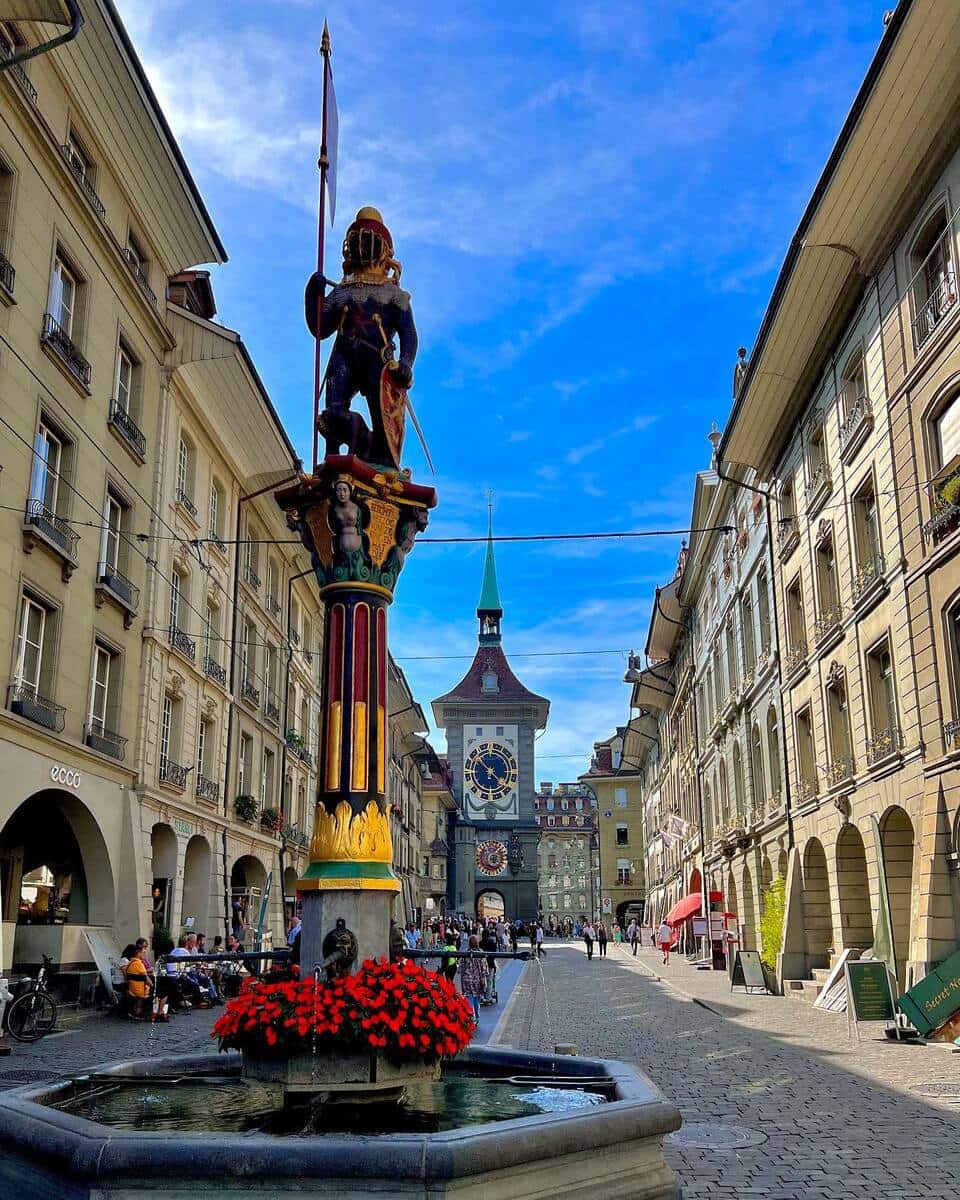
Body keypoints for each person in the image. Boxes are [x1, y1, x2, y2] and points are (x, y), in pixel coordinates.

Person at [459, 935, 488, 1024]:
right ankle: (476, 1016)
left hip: (467, 980)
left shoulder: (465, 953)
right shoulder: (480, 953)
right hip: (477, 980)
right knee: (477, 999)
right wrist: (484, 979)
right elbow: (484, 968)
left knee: (469, 999)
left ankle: (471, 1016)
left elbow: (460, 968)